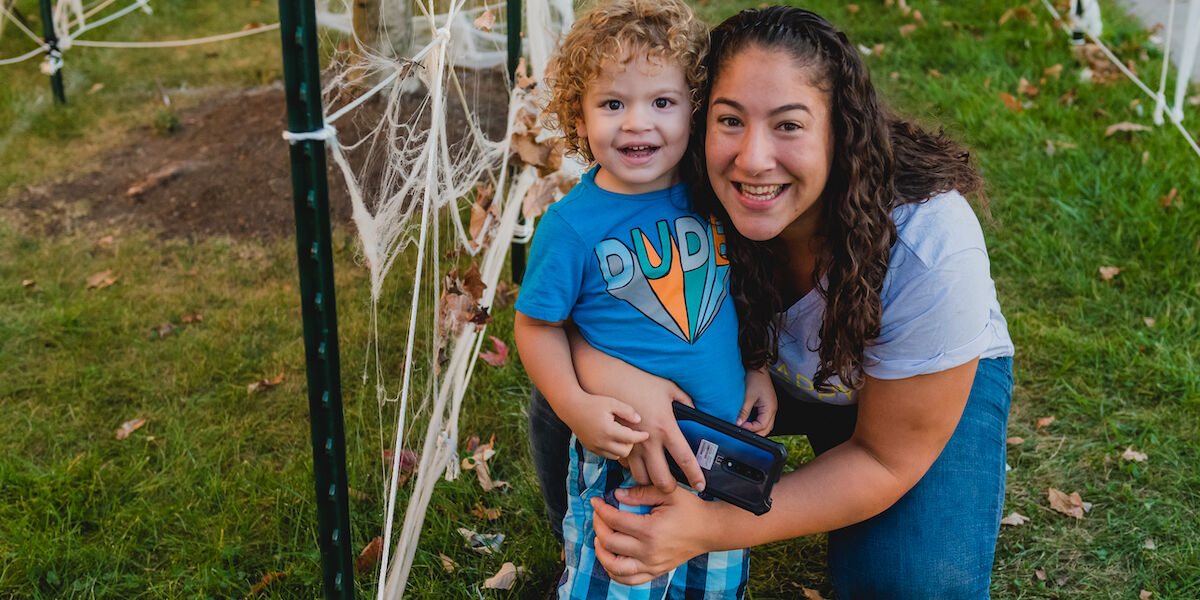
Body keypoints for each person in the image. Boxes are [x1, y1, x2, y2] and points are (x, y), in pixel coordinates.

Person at [530, 6, 1016, 599]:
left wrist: (710, 527)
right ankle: (597, 544)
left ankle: (679, 530)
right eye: (730, 120)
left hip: (902, 390)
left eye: (788, 125)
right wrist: (618, 381)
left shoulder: (929, 244)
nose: (754, 159)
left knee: (909, 587)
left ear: (841, 129)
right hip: (751, 378)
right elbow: (555, 320)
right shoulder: (681, 183)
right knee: (578, 387)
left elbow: (887, 460)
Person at [513, 1, 777, 597]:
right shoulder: (572, 227)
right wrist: (575, 405)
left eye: (661, 102)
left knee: (713, 583)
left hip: (719, 449)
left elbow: (737, 292)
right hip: (626, 455)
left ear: (693, 109)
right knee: (620, 579)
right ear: (578, 119)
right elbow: (536, 327)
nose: (638, 123)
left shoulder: (709, 195)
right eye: (613, 104)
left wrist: (756, 366)